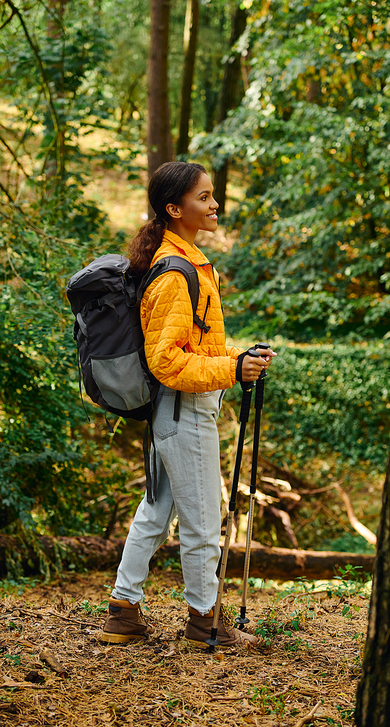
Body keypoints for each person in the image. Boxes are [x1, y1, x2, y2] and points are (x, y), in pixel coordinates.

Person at [101, 161, 275, 648]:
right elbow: (165, 361)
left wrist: (239, 357)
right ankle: (205, 625)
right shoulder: (175, 275)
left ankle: (123, 611)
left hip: (172, 413)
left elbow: (196, 346)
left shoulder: (187, 261)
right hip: (184, 411)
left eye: (213, 195)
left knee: (156, 512)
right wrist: (232, 371)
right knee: (202, 524)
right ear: (174, 209)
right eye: (204, 197)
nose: (215, 204)